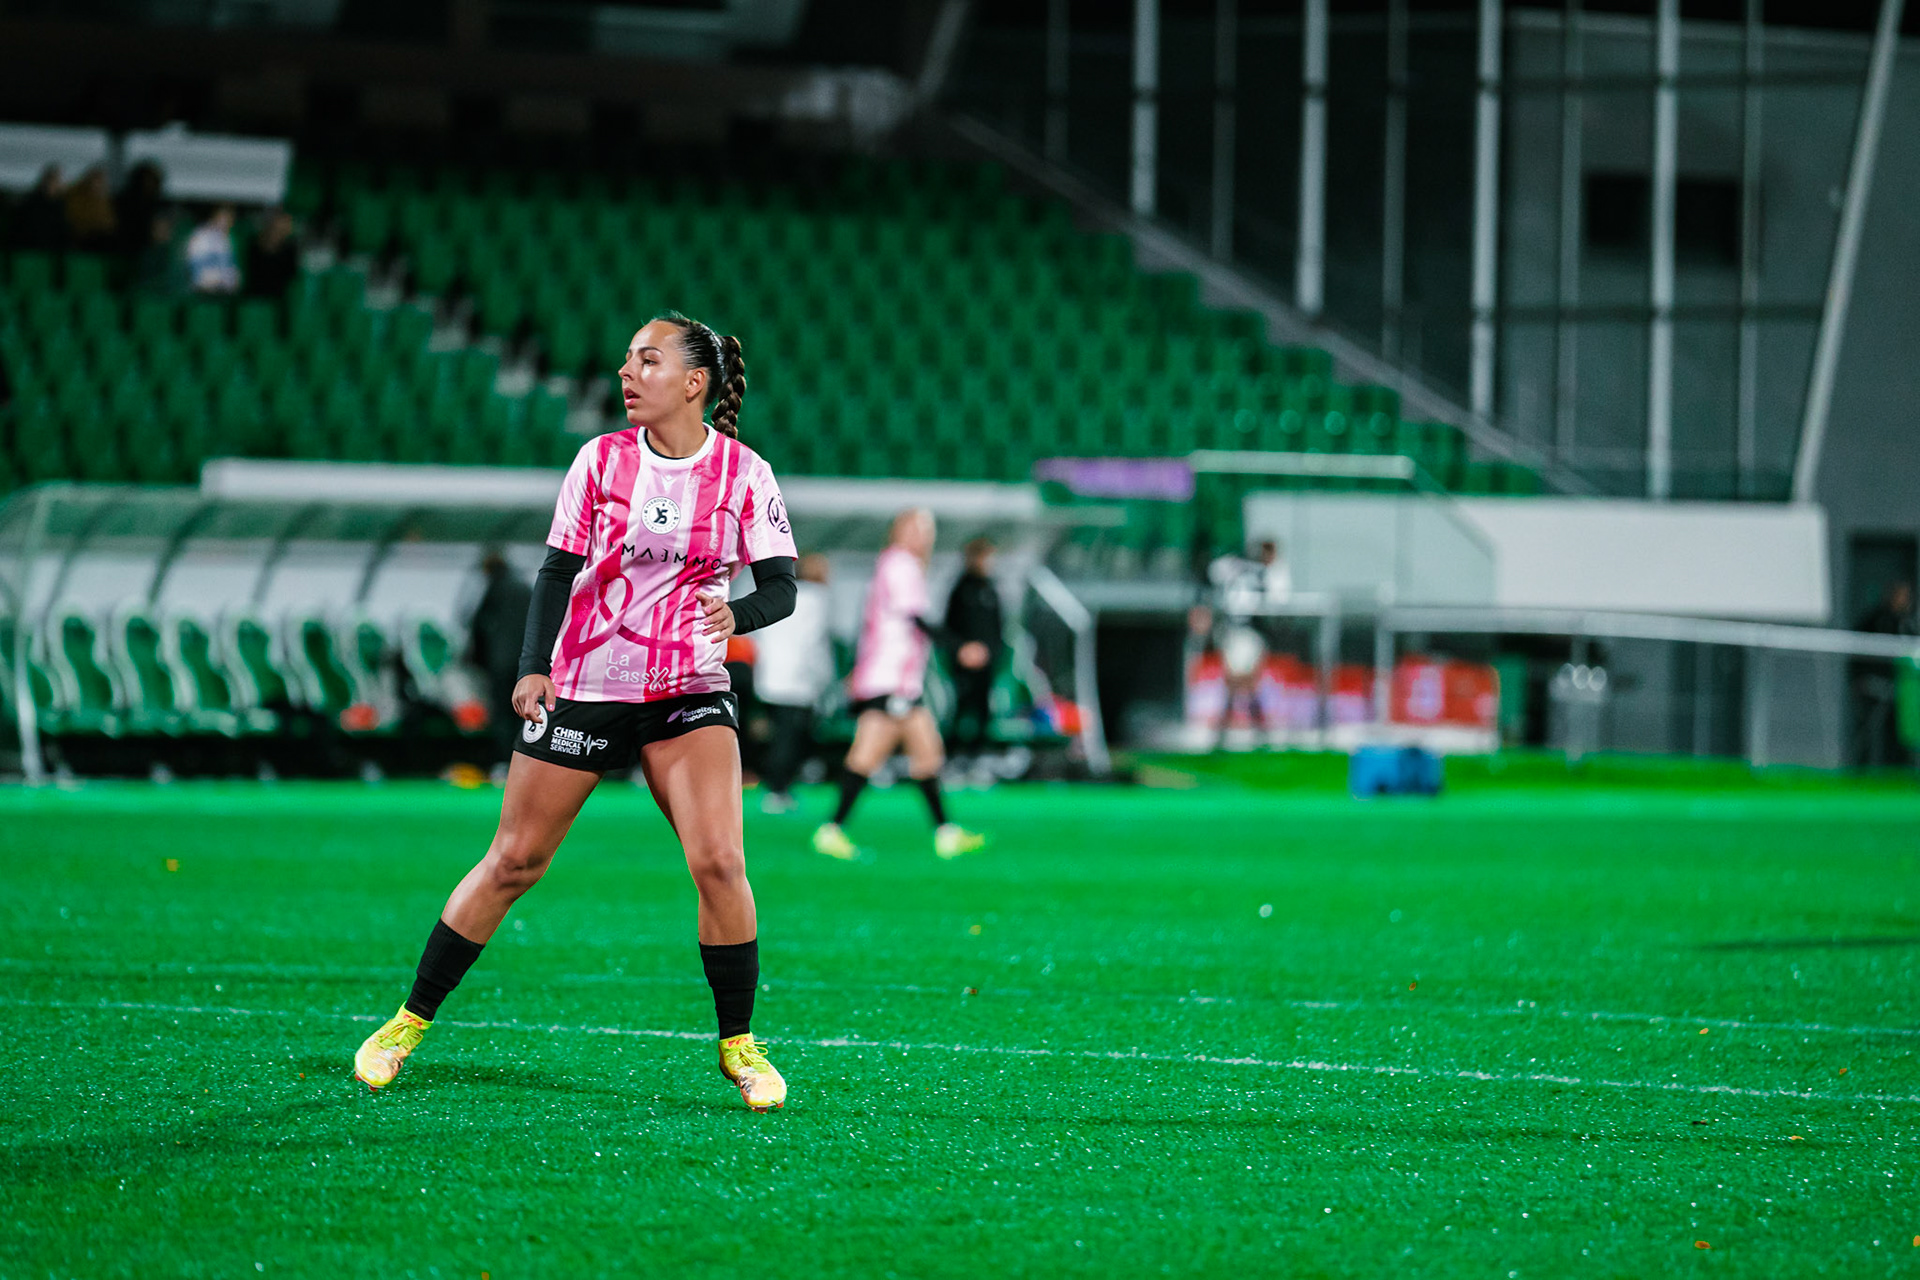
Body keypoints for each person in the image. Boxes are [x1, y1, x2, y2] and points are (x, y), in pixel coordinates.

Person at [353, 312, 800, 1112]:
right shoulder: (598, 463)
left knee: (720, 863)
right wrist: (533, 671)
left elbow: (782, 586)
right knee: (513, 861)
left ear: (694, 383)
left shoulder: (744, 472)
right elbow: (555, 573)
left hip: (688, 691)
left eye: (648, 360)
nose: (627, 373)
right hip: (589, 686)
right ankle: (403, 1025)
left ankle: (738, 1045)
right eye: (627, 358)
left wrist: (742, 616)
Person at [812, 509, 986, 861]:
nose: (925, 537)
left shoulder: (892, 565)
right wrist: (959, 646)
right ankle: (831, 830)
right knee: (868, 755)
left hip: (894, 681)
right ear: (902, 532)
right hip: (891, 680)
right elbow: (916, 618)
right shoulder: (901, 564)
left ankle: (945, 832)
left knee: (926, 753)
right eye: (920, 529)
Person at [752, 553, 834, 813]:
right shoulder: (817, 600)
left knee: (778, 737)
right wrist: (824, 679)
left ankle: (777, 787)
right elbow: (814, 645)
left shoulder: (781, 593)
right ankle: (778, 790)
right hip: (798, 681)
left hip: (770, 677)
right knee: (790, 739)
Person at [466, 550, 534, 770]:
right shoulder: (524, 587)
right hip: (525, 662)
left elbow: (478, 623)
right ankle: (526, 760)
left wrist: (476, 659)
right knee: (525, 713)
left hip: (501, 663)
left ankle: (505, 761)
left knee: (502, 715)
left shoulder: (496, 587)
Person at [942, 537, 1004, 763]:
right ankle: (953, 759)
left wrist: (990, 653)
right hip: (963, 665)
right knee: (960, 712)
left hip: (985, 665)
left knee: (983, 712)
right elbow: (949, 628)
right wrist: (961, 651)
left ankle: (977, 758)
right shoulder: (960, 589)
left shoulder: (991, 589)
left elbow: (999, 629)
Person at [1850, 579, 1917, 768]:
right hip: (1874, 686)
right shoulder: (1874, 620)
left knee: (1900, 732)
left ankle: (1898, 770)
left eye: (1905, 596)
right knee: (1870, 730)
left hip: (1903, 690)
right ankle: (1864, 770)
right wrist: (1859, 679)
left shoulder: (1911, 623)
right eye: (1897, 594)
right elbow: (1856, 650)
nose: (1901, 599)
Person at [245, 207, 299, 300]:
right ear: (273, 223)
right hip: (256, 298)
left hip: (280, 299)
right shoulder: (254, 246)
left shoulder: (291, 249)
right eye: (283, 222)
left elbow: (292, 278)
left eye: (289, 222)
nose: (289, 226)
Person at [185, 204, 241, 294]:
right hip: (203, 293)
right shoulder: (200, 235)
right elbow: (198, 274)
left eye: (231, 218)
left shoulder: (226, 239)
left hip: (224, 293)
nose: (230, 221)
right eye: (225, 216)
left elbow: (232, 273)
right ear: (215, 216)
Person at [12, 165, 67, 251]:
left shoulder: (60, 205)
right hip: (31, 248)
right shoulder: (31, 203)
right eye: (54, 182)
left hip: (50, 250)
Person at [62, 166, 117, 251]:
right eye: (97, 181)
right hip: (83, 236)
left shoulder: (102, 200)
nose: (98, 185)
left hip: (99, 236)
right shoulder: (77, 196)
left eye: (101, 182)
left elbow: (109, 221)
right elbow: (75, 218)